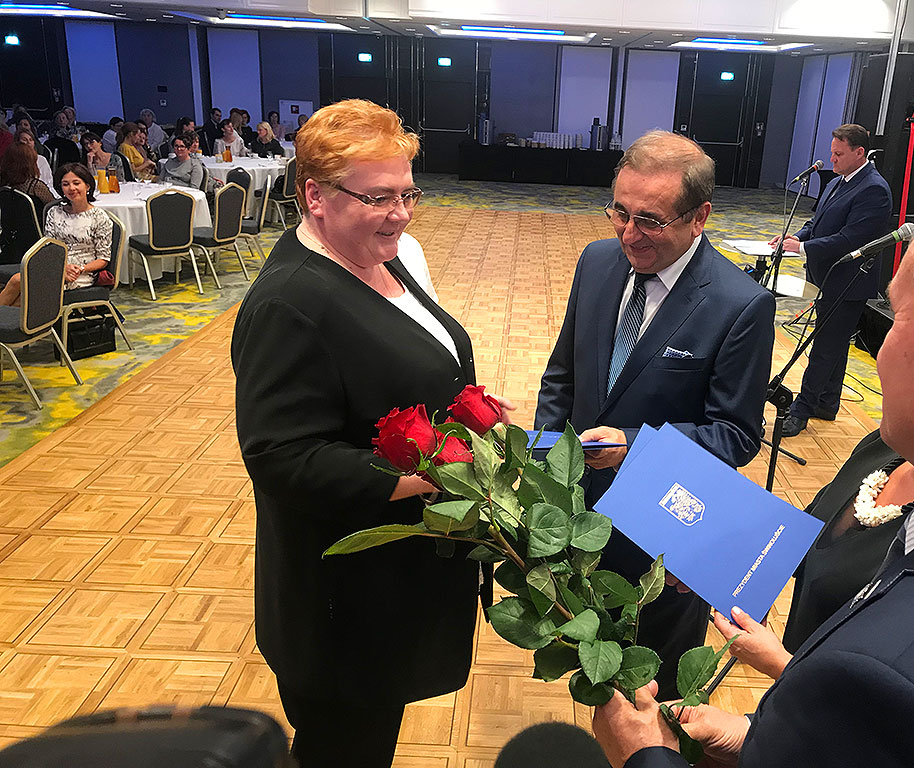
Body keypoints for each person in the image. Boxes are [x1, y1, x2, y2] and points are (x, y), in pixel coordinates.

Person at [592, 172, 914, 768]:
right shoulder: (889, 453)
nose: (879, 345)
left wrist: (643, 756)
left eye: (894, 315)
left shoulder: (912, 668)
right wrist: (757, 731)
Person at [231, 98, 507, 768]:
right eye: (379, 197)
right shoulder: (289, 303)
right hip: (343, 606)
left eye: (408, 193)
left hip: (389, 588)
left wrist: (466, 421)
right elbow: (283, 457)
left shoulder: (381, 254)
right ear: (315, 196)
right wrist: (432, 473)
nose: (401, 213)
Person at [534, 130, 775, 698]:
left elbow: (735, 435)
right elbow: (563, 374)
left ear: (700, 217)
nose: (628, 233)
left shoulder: (739, 304)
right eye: (620, 212)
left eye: (650, 220)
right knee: (593, 671)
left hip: (663, 535)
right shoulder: (597, 261)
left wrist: (634, 447)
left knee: (654, 689)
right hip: (577, 515)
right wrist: (546, 468)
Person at [694, 428, 914, 681]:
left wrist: (779, 665)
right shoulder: (883, 445)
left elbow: (904, 688)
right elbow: (806, 534)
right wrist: (716, 567)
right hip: (799, 671)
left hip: (824, 696)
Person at [773, 124, 892, 438]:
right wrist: (796, 237)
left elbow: (851, 238)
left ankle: (801, 410)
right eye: (832, 153)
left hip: (848, 283)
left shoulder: (874, 189)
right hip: (826, 277)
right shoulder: (838, 181)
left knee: (825, 348)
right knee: (834, 345)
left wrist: (804, 249)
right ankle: (827, 403)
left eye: (839, 154)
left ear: (859, 153)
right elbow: (817, 222)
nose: (833, 159)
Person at [0, 163, 112, 306]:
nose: (71, 188)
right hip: (55, 266)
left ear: (87, 186)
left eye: (76, 183)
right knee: (19, 290)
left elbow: (103, 259)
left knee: (20, 290)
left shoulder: (99, 217)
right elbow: (48, 246)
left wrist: (80, 269)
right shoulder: (55, 212)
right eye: (66, 184)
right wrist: (61, 267)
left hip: (80, 273)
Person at [0, 142, 56, 221]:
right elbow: (54, 208)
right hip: (36, 227)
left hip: (8, 226)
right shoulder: (35, 187)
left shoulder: (4, 183)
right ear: (29, 163)